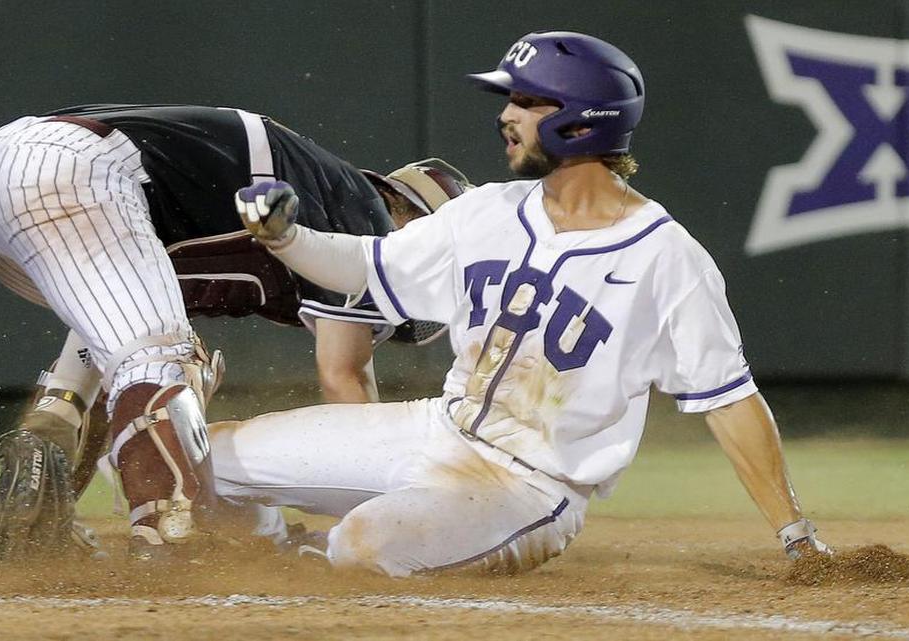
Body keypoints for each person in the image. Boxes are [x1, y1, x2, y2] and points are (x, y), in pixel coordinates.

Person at [217, 30, 831, 576]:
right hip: (435, 429)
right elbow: (364, 266)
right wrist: (286, 238)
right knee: (198, 455)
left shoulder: (666, 258)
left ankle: (333, 555)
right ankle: (268, 547)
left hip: (529, 488)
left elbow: (729, 401)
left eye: (528, 102)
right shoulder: (487, 211)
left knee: (362, 546)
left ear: (582, 121)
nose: (507, 116)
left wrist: (795, 534)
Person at [0, 103, 471, 560]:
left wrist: (60, 415)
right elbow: (345, 379)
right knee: (165, 364)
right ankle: (174, 540)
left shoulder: (313, 195)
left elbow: (98, 366)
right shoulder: (364, 215)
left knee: (132, 358)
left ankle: (20, 525)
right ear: (414, 219)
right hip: (68, 170)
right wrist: (377, 518)